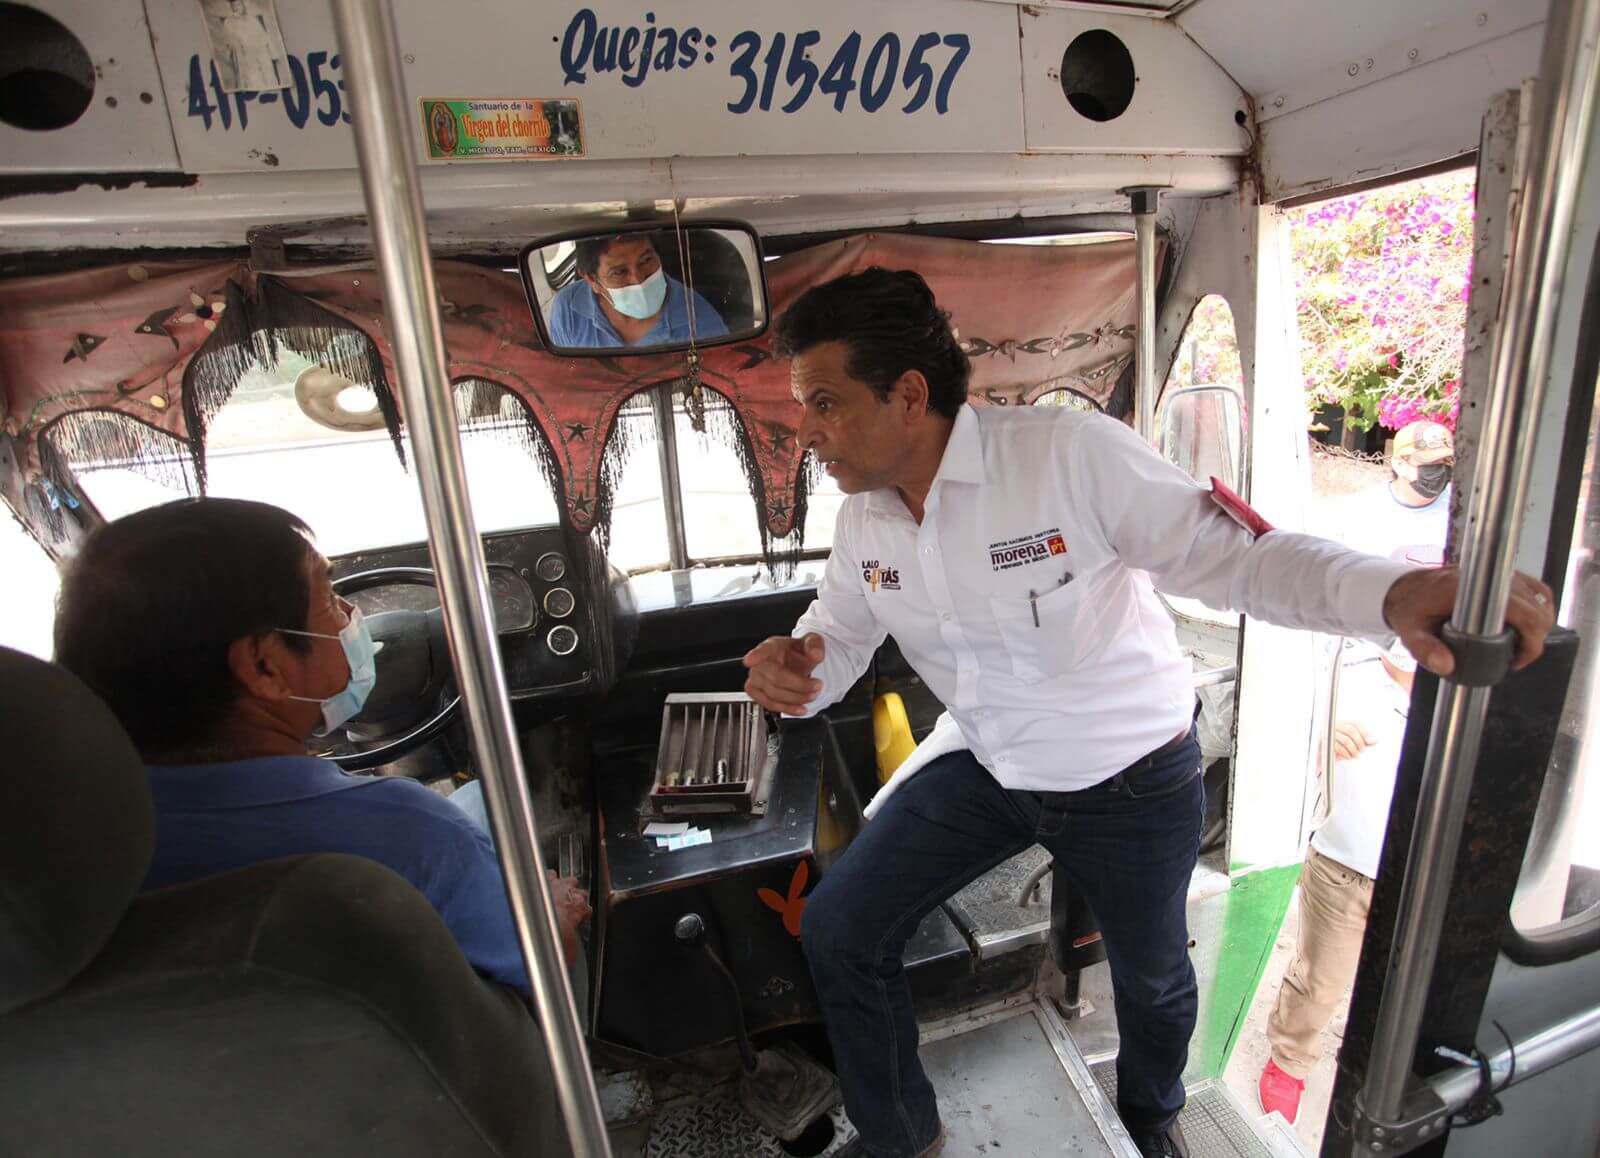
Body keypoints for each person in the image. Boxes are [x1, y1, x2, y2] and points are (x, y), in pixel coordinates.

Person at [740, 269, 1553, 1158]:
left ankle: (1152, 1119)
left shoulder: (1067, 456)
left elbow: (1240, 560)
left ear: (907, 394)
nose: (805, 431)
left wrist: (1391, 594)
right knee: (841, 927)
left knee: (1153, 982)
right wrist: (800, 669)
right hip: (991, 762)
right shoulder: (865, 521)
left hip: (1130, 774)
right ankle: (901, 1137)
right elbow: (838, 634)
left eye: (824, 402)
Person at [52, 497, 590, 998]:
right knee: (486, 808)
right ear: (264, 667)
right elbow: (546, 964)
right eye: (329, 600)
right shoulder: (413, 836)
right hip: (478, 1054)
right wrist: (552, 911)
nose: (350, 615)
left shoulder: (73, 849)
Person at [1257, 422, 1455, 1123]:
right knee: (1322, 974)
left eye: (1445, 463)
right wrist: (1321, 725)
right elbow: (1294, 645)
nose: (1436, 474)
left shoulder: (1467, 532)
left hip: (1429, 850)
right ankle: (1288, 1063)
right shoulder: (1351, 537)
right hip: (1353, 841)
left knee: (1413, 985)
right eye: (1425, 462)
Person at [545, 232, 728, 348]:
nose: (638, 279)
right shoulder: (568, 308)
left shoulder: (703, 323)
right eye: (619, 272)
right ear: (592, 280)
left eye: (646, 261)